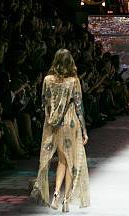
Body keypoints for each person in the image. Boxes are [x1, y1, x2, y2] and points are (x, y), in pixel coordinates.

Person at [31, 49, 90, 212]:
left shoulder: (47, 80)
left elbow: (43, 103)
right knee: (70, 161)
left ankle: (56, 195)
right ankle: (65, 200)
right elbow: (79, 107)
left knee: (62, 160)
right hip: (70, 122)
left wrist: (52, 116)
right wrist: (84, 130)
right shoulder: (74, 81)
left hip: (52, 124)